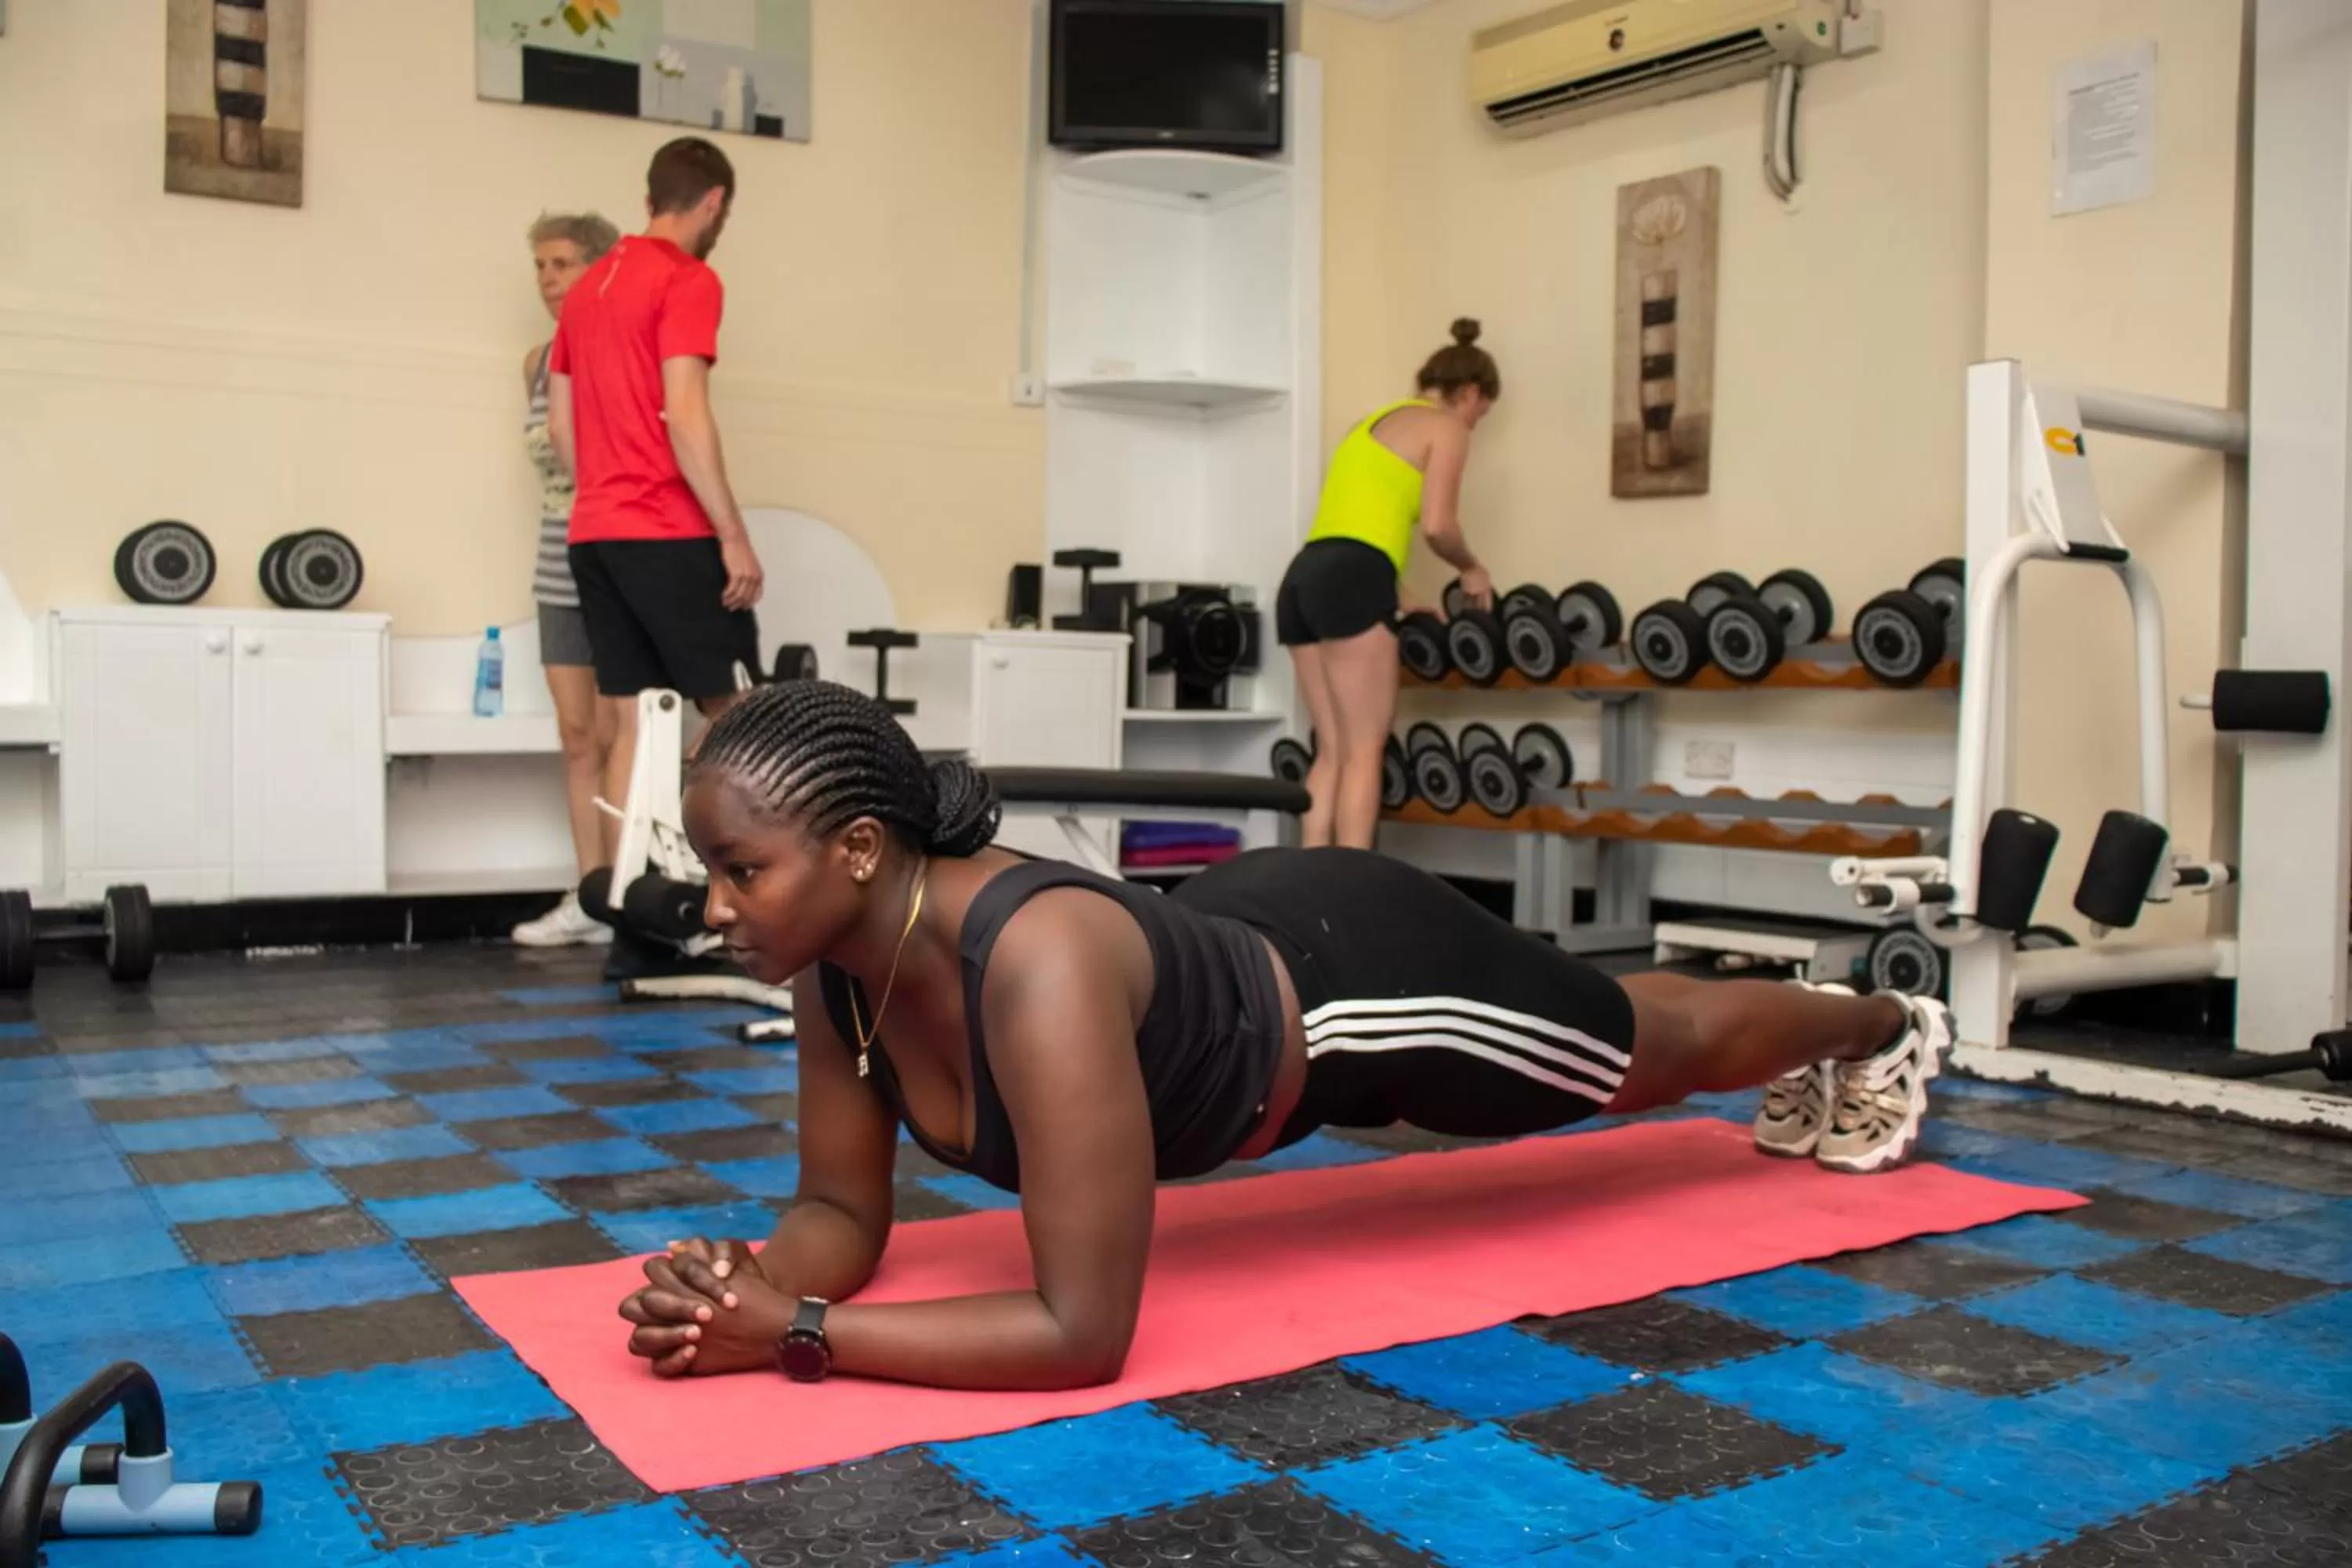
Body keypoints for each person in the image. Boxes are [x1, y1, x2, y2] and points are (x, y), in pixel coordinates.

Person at [613, 681, 1951, 1393]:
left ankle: (1884, 1019)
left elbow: (1082, 1331)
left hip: (1359, 991)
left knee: (1643, 1058)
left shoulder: (1036, 967)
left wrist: (801, 1337)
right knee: (1629, 1022)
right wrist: (740, 1286)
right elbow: (840, 1207)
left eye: (743, 871)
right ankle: (1825, 1020)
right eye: (709, 871)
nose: (714, 906)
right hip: (1231, 927)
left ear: (858, 848)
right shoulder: (835, 961)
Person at [546, 136, 766, 862]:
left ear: (648, 201)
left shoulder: (583, 293)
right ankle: (753, 903)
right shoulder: (689, 280)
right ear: (714, 203)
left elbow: (559, 425)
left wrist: (608, 493)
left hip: (595, 535)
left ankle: (629, 911)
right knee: (737, 716)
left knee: (636, 722)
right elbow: (686, 413)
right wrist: (730, 533)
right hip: (667, 532)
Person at [1274, 319, 1502, 851]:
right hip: (1352, 579)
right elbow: (1438, 526)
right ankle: (1354, 895)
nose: (1474, 426)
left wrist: (1398, 596)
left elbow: (1353, 528)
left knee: (1331, 749)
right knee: (1365, 749)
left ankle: (1307, 895)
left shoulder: (1367, 426)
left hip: (1303, 578)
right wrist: (1472, 568)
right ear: (1468, 393)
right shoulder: (1445, 428)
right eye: (1480, 414)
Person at [512, 211, 623, 949]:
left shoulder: (625, 352)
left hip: (618, 563)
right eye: (541, 267)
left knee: (624, 734)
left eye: (563, 264)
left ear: (600, 269)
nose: (550, 280)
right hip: (558, 563)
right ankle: (588, 893)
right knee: (578, 733)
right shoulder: (537, 361)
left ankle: (626, 895)